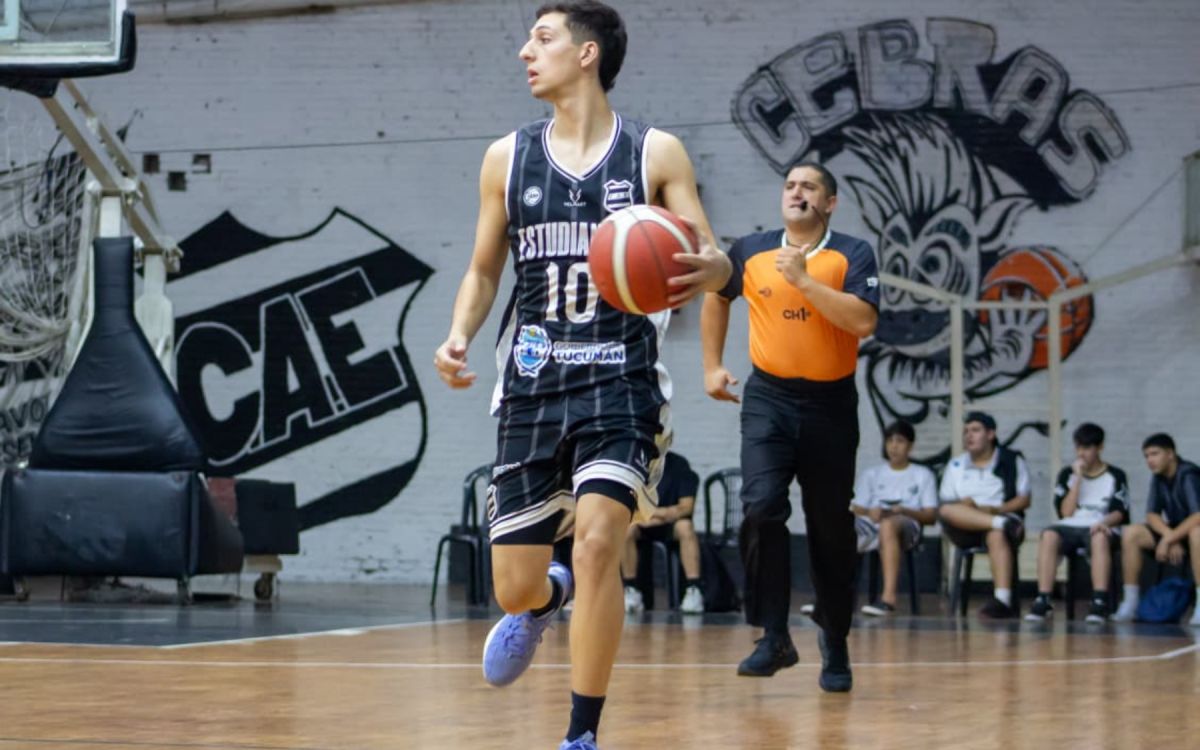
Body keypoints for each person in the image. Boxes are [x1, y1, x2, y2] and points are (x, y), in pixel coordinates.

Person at [432, 4, 731, 748]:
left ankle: (581, 734)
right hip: (532, 382)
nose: (524, 51)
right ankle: (543, 602)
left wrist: (716, 269)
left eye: (543, 38)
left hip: (621, 380)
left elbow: (712, 256)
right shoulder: (506, 158)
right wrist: (459, 334)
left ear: (588, 53)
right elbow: (482, 270)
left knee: (600, 542)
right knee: (513, 585)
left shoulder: (655, 152)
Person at [701, 161, 879, 692]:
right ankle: (773, 635)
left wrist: (802, 279)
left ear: (830, 203)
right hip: (769, 398)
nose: (797, 192)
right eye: (790, 185)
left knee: (830, 527)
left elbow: (863, 321)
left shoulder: (853, 253)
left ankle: (834, 635)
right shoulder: (750, 251)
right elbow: (716, 296)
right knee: (760, 507)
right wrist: (712, 365)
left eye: (810, 187)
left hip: (831, 406)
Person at [1026, 423, 1129, 623]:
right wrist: (1078, 479)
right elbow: (1065, 512)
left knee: (1099, 537)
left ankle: (1099, 601)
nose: (1082, 453)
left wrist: (1104, 522)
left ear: (1099, 447)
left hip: (1100, 525)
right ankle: (1043, 598)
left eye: (1087, 448)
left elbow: (1120, 512)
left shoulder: (1116, 475)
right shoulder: (1067, 474)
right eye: (1079, 447)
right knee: (1049, 535)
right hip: (1071, 525)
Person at [938, 411, 1031, 619]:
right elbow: (948, 502)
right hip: (965, 525)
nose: (969, 436)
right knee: (945, 510)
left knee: (996, 534)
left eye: (975, 430)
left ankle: (1002, 600)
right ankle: (1000, 523)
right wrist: (968, 507)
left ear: (990, 434)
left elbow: (1024, 500)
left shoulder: (1011, 460)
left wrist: (994, 510)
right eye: (966, 431)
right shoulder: (956, 465)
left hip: (1002, 516)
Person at [1111, 433, 1200, 625]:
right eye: (1147, 456)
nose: (1150, 460)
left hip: (1194, 530)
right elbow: (1152, 514)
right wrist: (1169, 535)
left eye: (1154, 454)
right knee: (1131, 533)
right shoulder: (1158, 477)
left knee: (1197, 533)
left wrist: (1169, 539)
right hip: (1176, 531)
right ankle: (1131, 601)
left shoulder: (1188, 474)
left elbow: (1197, 515)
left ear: (1170, 454)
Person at [851, 420, 937, 616]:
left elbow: (931, 516)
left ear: (910, 446)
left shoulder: (922, 474)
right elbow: (857, 506)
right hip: (872, 525)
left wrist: (904, 511)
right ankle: (828, 597)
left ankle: (888, 599)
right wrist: (870, 512)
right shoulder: (872, 474)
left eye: (900, 441)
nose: (894, 446)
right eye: (890, 441)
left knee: (888, 525)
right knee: (838, 526)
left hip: (907, 528)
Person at [621, 450, 704, 614]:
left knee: (686, 527)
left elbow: (686, 507)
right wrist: (652, 515)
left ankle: (693, 589)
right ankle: (631, 590)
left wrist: (655, 515)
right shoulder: (634, 463)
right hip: (641, 523)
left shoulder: (679, 464)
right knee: (626, 529)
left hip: (668, 524)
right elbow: (626, 505)